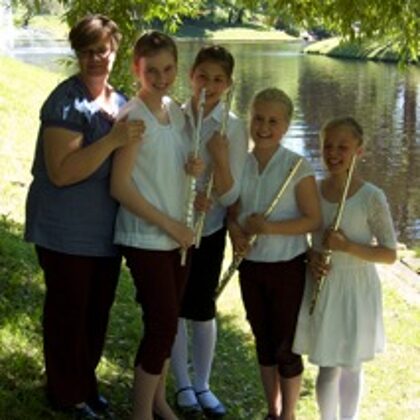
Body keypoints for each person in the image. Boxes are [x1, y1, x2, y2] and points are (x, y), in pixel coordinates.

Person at [24, 14, 144, 419]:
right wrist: (111, 140)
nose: (95, 58)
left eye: (102, 50)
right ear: (77, 53)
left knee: (95, 313)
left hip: (105, 235)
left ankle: (84, 385)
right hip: (64, 231)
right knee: (68, 314)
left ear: (115, 52)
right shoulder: (66, 101)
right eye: (86, 51)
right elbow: (61, 171)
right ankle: (65, 394)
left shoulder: (121, 102)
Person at [110, 31, 203, 420]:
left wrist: (191, 168)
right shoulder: (134, 117)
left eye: (168, 70)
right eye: (152, 71)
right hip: (145, 236)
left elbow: (167, 166)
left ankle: (158, 401)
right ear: (137, 68)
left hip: (177, 237)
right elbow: (119, 187)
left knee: (168, 321)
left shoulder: (176, 112)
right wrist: (171, 226)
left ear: (177, 69)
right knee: (163, 323)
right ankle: (140, 413)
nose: (161, 78)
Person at [292, 117, 397, 420]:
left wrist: (347, 246)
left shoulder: (371, 197)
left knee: (351, 365)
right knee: (327, 366)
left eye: (343, 147)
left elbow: (389, 253)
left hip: (355, 289)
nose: (334, 153)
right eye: (328, 146)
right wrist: (310, 255)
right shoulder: (312, 190)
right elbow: (300, 235)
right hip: (324, 286)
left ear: (358, 151)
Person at [228, 88, 321, 420]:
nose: (264, 127)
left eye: (273, 121)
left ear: (286, 126)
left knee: (286, 346)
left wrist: (269, 228)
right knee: (263, 341)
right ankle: (272, 410)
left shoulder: (297, 166)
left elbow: (313, 219)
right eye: (258, 118)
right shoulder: (240, 163)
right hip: (251, 267)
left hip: (287, 267)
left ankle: (288, 415)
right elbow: (232, 212)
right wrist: (236, 233)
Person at [170, 45, 248, 418]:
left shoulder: (234, 127)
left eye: (218, 80)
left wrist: (219, 158)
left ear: (228, 84)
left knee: (201, 308)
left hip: (209, 227)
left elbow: (232, 193)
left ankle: (202, 382)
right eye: (203, 76)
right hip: (171, 225)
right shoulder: (173, 115)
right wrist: (186, 183)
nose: (209, 85)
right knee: (172, 306)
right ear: (191, 76)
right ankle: (181, 383)